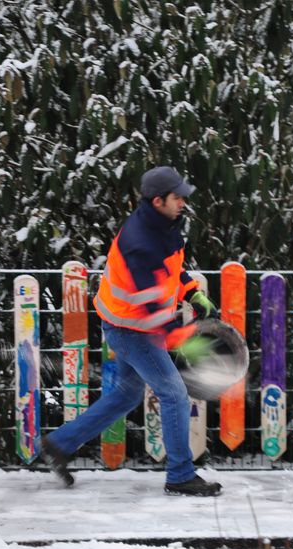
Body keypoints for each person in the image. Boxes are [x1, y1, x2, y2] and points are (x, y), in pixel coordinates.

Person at [42, 166, 222, 497]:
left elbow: (170, 270)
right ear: (158, 200)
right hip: (132, 329)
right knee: (174, 394)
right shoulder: (140, 242)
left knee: (126, 394)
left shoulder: (164, 225)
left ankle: (60, 443)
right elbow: (150, 304)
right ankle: (180, 475)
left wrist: (191, 291)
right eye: (177, 196)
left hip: (130, 324)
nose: (183, 201)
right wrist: (182, 340)